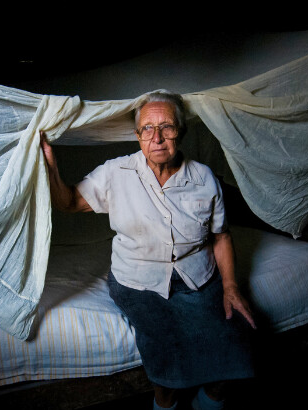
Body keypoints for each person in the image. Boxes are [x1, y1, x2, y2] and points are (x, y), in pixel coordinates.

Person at [40, 90, 256, 410]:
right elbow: (69, 202)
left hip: (196, 274)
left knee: (237, 343)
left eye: (167, 127)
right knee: (163, 348)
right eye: (147, 129)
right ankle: (165, 404)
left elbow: (221, 237)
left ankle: (208, 401)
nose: (157, 138)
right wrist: (51, 167)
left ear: (180, 132)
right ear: (137, 135)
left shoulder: (205, 179)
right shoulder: (117, 173)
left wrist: (230, 285)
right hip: (137, 278)